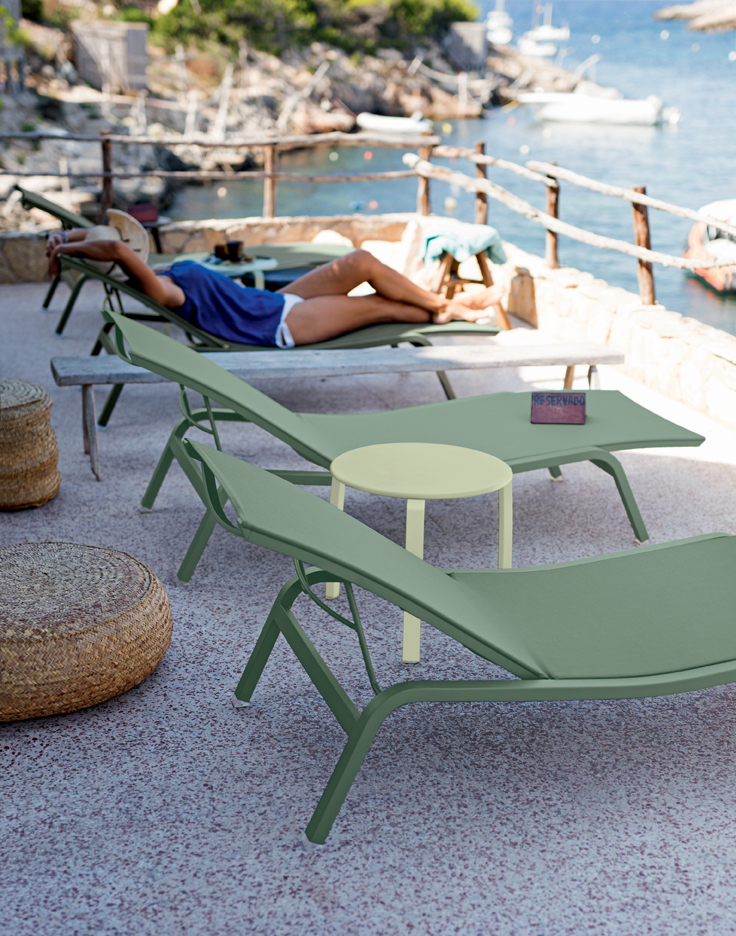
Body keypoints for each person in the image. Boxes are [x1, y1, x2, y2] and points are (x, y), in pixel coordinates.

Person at [46, 226, 508, 348]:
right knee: (379, 305)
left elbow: (109, 237)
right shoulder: (164, 292)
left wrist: (65, 237)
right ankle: (449, 308)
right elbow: (116, 248)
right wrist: (67, 251)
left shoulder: (164, 271)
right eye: (126, 250)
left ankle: (443, 305)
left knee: (362, 262)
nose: (130, 244)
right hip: (280, 326)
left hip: (274, 302)